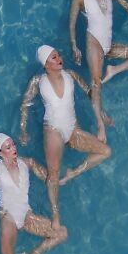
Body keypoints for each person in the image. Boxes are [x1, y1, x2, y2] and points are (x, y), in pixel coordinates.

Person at [19, 45, 111, 223]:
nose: (59, 58)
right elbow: (25, 104)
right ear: (45, 64)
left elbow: (91, 95)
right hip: (54, 131)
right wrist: (23, 130)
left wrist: (103, 117)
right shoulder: (38, 81)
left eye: (58, 54)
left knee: (105, 151)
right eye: (53, 57)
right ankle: (55, 213)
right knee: (53, 175)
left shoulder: (71, 75)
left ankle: (72, 173)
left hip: (73, 129)